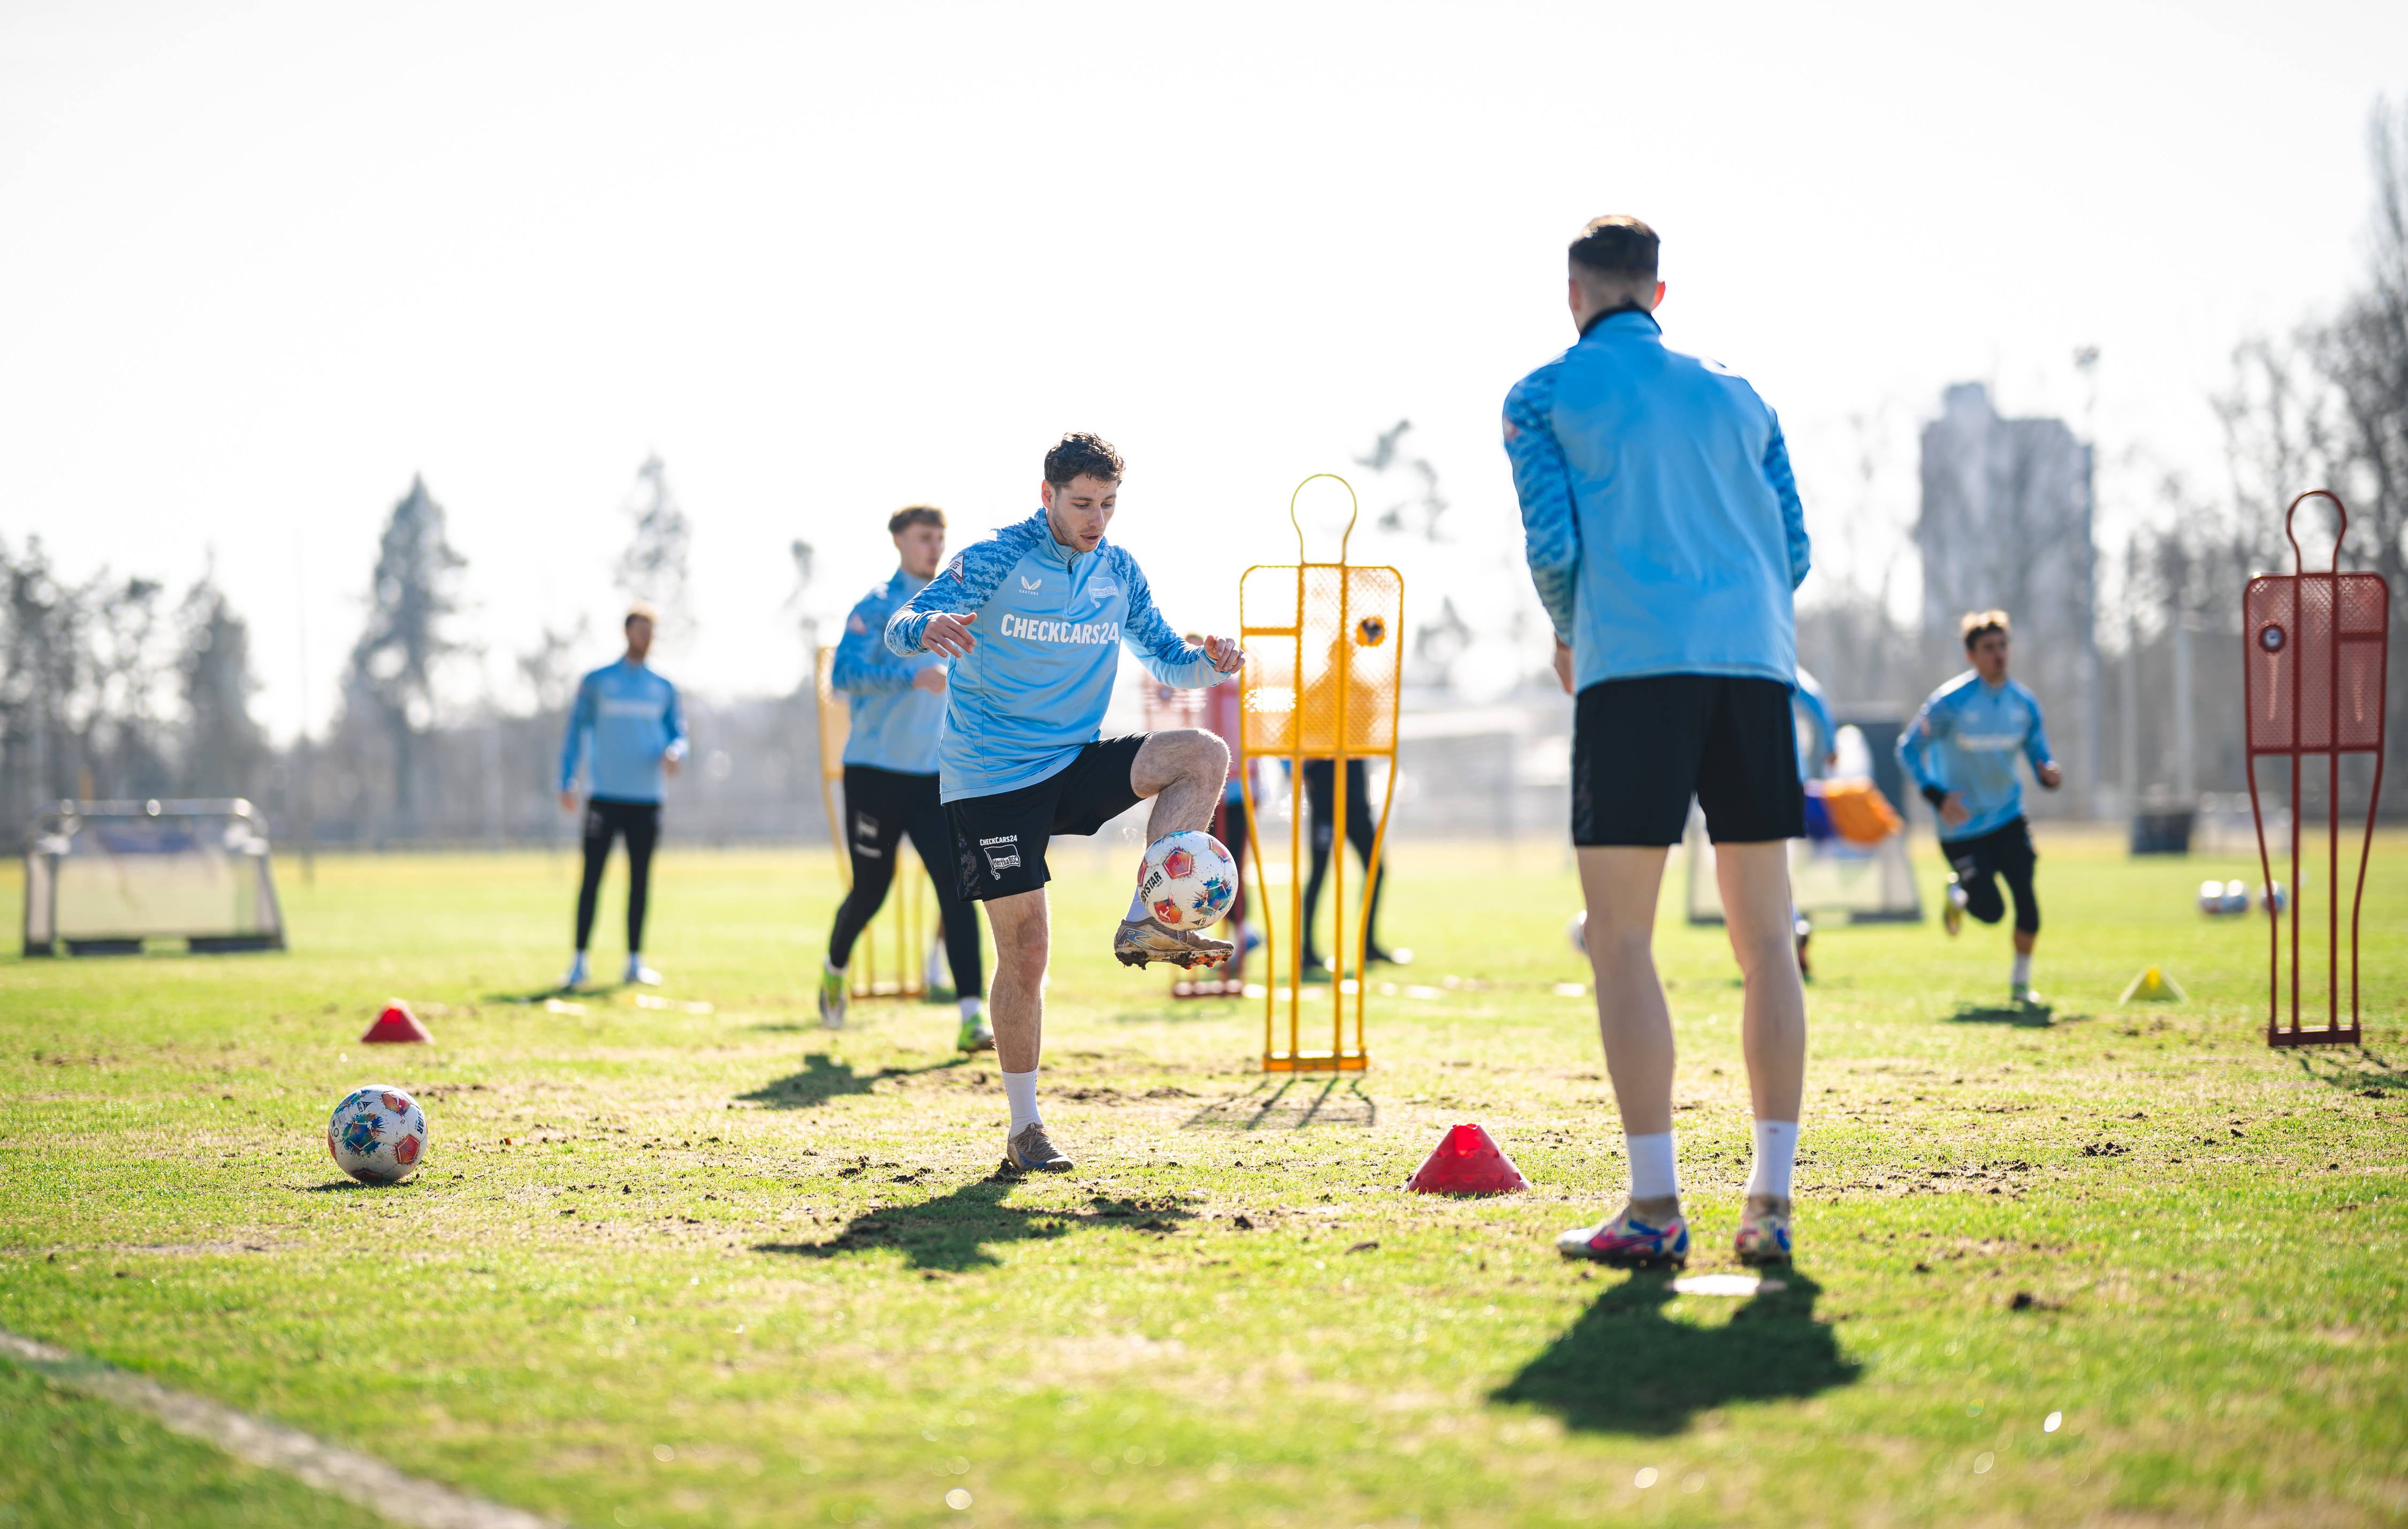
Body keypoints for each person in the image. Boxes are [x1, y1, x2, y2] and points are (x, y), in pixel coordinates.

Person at [1504, 215, 1811, 1269]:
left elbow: (1553, 543)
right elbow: (1796, 545)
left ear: (1575, 294)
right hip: (1756, 668)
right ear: (1660, 294)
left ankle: (1655, 1207)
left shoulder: (1541, 395)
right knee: (1770, 937)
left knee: (1621, 937)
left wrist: (1572, 631)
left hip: (1635, 668)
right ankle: (1768, 1202)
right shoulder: (1743, 394)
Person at [886, 432, 1246, 1172]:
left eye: (1108, 504)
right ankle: (1025, 1130)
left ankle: (1150, 919)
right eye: (1082, 503)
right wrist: (930, 625)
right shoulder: (996, 557)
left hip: (1072, 758)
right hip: (991, 779)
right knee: (1027, 950)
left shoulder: (1119, 570)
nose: (1096, 518)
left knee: (1202, 754)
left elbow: (1167, 660)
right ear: (1046, 494)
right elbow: (902, 625)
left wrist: (1208, 662)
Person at [820, 505, 992, 1053]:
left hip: (936, 776)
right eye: (924, 538)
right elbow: (842, 676)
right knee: (872, 890)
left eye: (941, 538)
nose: (935, 548)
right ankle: (834, 965)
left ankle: (971, 1016)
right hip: (874, 772)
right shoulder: (875, 606)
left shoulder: (953, 602)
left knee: (958, 888)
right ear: (899, 541)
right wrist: (909, 674)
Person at [1899, 610, 2063, 1006]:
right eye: (1989, 648)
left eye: (2004, 646)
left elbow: (2040, 753)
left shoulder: (2023, 704)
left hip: (2008, 817)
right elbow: (1908, 750)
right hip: (1962, 827)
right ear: (1970, 655)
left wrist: (2049, 772)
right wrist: (1936, 795)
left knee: (2027, 900)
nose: (1999, 655)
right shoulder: (1949, 703)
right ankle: (1961, 890)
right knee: (1991, 912)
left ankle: (2021, 985)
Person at [557, 605, 687, 988]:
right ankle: (579, 961)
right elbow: (575, 730)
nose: (645, 638)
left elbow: (679, 732)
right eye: (639, 630)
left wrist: (677, 751)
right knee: (592, 878)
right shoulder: (597, 681)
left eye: (651, 631)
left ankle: (634, 961)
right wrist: (566, 779)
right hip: (605, 795)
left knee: (641, 881)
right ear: (626, 632)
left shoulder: (664, 686)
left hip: (647, 799)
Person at [1299, 758, 1401, 975]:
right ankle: (1308, 952)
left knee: (1376, 870)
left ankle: (1369, 946)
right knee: (1318, 874)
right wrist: (1297, 769)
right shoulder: (1315, 726)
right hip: (1326, 800)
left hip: (1355, 802)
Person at [1789, 668, 1837, 978]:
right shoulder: (1782, 664)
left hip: (1745, 779)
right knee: (1772, 866)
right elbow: (1817, 702)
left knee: (1745, 869)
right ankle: (1793, 925)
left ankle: (1792, 924)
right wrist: (1830, 747)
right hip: (1793, 777)